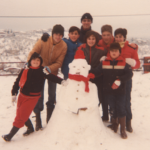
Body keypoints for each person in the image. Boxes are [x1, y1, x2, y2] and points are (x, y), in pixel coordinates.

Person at [2, 52, 63, 142]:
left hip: (32, 98)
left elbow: (52, 78)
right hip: (22, 95)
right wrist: (14, 93)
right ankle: (30, 128)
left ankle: (10, 136)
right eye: (34, 59)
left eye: (38, 60)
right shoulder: (25, 69)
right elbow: (17, 81)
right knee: (20, 113)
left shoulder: (42, 71)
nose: (35, 61)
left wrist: (64, 82)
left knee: (21, 116)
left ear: (40, 62)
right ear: (30, 61)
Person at [27, 24, 67, 131]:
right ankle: (38, 120)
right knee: (38, 94)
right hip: (39, 71)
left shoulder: (63, 46)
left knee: (52, 94)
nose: (57, 37)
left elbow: (59, 62)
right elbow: (33, 52)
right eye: (56, 34)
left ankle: (50, 119)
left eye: (60, 35)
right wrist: (29, 63)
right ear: (52, 33)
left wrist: (49, 68)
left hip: (52, 72)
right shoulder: (43, 40)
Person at [90, 43, 133, 139]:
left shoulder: (124, 63)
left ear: (119, 52)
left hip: (120, 91)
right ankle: (114, 124)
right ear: (109, 52)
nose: (114, 53)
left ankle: (122, 129)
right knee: (112, 107)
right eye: (112, 51)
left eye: (116, 51)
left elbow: (129, 74)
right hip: (108, 90)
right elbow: (96, 71)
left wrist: (120, 79)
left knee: (121, 108)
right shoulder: (104, 62)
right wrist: (87, 69)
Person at [114, 28, 140, 132]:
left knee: (126, 101)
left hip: (126, 79)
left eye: (120, 36)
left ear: (124, 37)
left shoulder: (130, 49)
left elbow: (138, 64)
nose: (118, 38)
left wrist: (133, 63)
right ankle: (115, 122)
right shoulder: (113, 47)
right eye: (116, 36)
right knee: (115, 100)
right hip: (114, 77)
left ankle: (128, 123)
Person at [77, 30, 107, 114]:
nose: (91, 41)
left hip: (97, 77)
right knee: (84, 96)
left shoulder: (102, 50)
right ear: (86, 39)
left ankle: (95, 115)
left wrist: (95, 72)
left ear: (96, 40)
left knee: (97, 97)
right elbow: (78, 62)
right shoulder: (81, 48)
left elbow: (103, 64)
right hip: (84, 77)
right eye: (89, 38)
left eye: (93, 39)